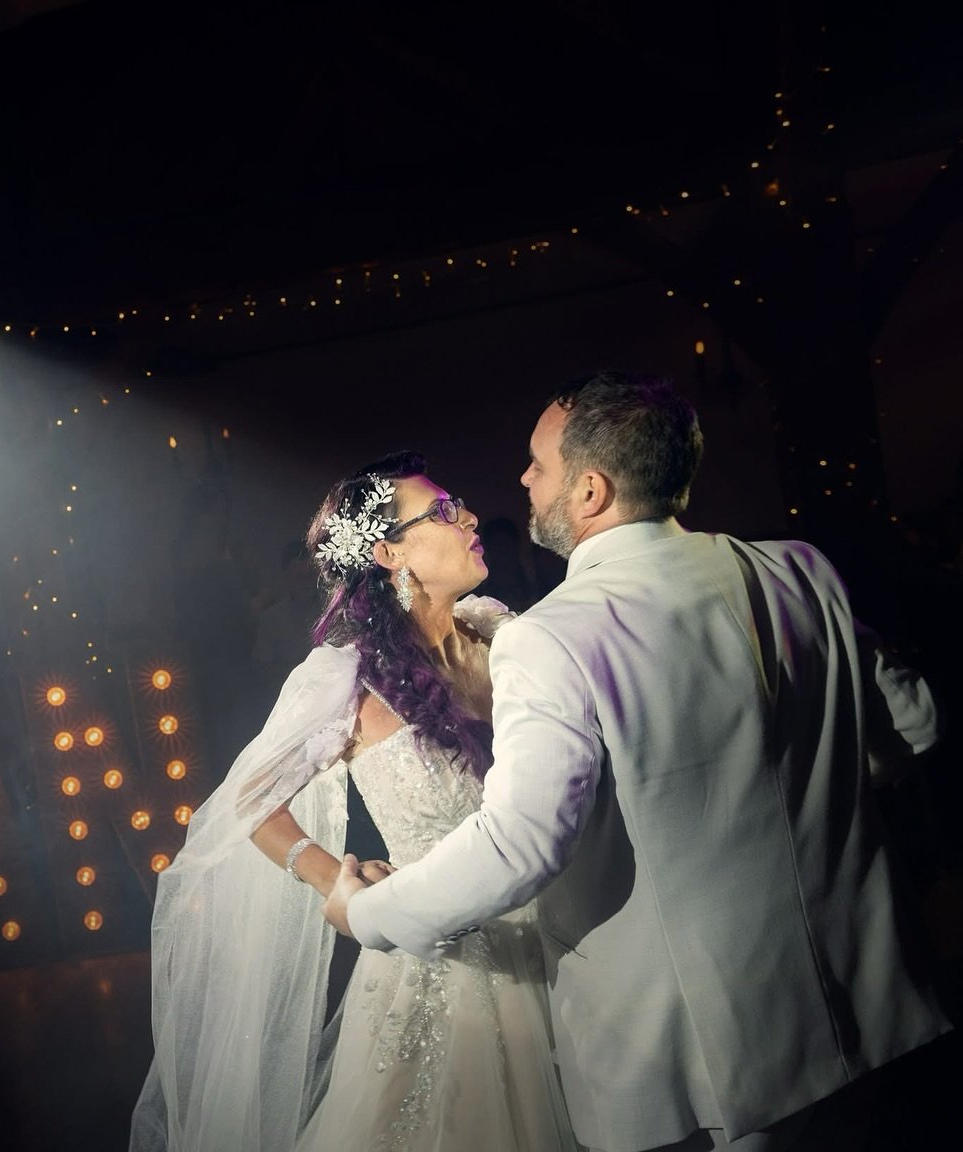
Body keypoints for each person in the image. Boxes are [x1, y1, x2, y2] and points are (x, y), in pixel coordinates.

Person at [324, 371, 951, 1152]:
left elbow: (522, 845)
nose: (520, 480)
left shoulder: (550, 635)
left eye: (538, 466)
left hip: (700, 1059)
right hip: (865, 1010)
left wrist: (368, 915)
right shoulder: (799, 571)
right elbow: (917, 725)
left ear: (589, 491)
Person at [130, 451, 579, 1152]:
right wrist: (332, 879)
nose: (465, 517)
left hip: (559, 948)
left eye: (457, 505)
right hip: (445, 970)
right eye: (440, 512)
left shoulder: (497, 629)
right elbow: (247, 800)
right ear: (386, 551)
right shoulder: (346, 676)